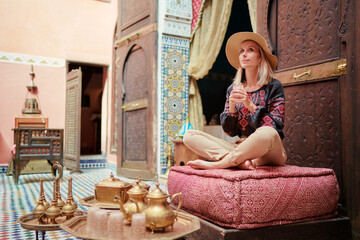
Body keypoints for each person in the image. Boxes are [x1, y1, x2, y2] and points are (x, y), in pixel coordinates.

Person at [183, 32, 287, 170]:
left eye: (250, 50)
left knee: (267, 132)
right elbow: (230, 133)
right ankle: (240, 162)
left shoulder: (274, 86)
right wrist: (231, 108)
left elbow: (275, 126)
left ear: (260, 56)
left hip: (268, 151)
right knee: (189, 136)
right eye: (241, 51)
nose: (244, 54)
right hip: (240, 146)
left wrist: (250, 106)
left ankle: (219, 164)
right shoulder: (233, 88)